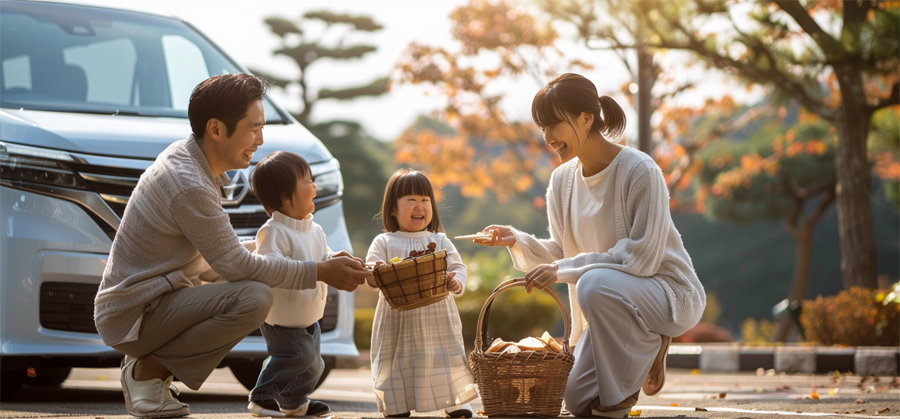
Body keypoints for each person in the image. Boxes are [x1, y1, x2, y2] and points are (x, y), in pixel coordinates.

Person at [94, 74, 371, 418]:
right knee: (254, 297)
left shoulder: (189, 162)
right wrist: (317, 271)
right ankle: (145, 373)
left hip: (153, 303)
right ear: (216, 129)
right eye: (253, 128)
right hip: (135, 314)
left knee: (251, 287)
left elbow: (220, 255)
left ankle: (150, 370)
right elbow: (236, 266)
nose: (260, 139)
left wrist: (315, 259)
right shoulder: (188, 182)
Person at [476, 73, 705, 418]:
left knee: (593, 282)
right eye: (543, 128)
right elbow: (562, 253)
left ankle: (619, 399)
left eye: (554, 125)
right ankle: (646, 344)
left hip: (666, 295)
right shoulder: (561, 180)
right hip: (606, 300)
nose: (549, 138)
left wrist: (566, 270)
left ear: (586, 119)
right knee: (576, 401)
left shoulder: (640, 171)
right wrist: (517, 239)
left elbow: (641, 258)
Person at [244, 151, 356, 417]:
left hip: (309, 315)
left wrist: (334, 258)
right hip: (281, 318)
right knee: (297, 357)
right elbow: (270, 268)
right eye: (307, 181)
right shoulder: (273, 231)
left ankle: (294, 402)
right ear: (285, 195)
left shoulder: (314, 228)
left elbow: (322, 257)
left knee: (314, 363)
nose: (314, 187)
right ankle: (261, 396)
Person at [365, 169, 478, 418]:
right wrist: (374, 273)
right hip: (397, 316)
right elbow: (372, 274)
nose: (419, 206)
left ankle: (454, 401)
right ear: (392, 209)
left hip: (437, 313)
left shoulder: (440, 240)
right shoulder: (384, 242)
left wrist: (455, 282)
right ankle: (396, 404)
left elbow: (457, 266)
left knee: (444, 355)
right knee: (397, 360)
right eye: (411, 200)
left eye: (425, 200)